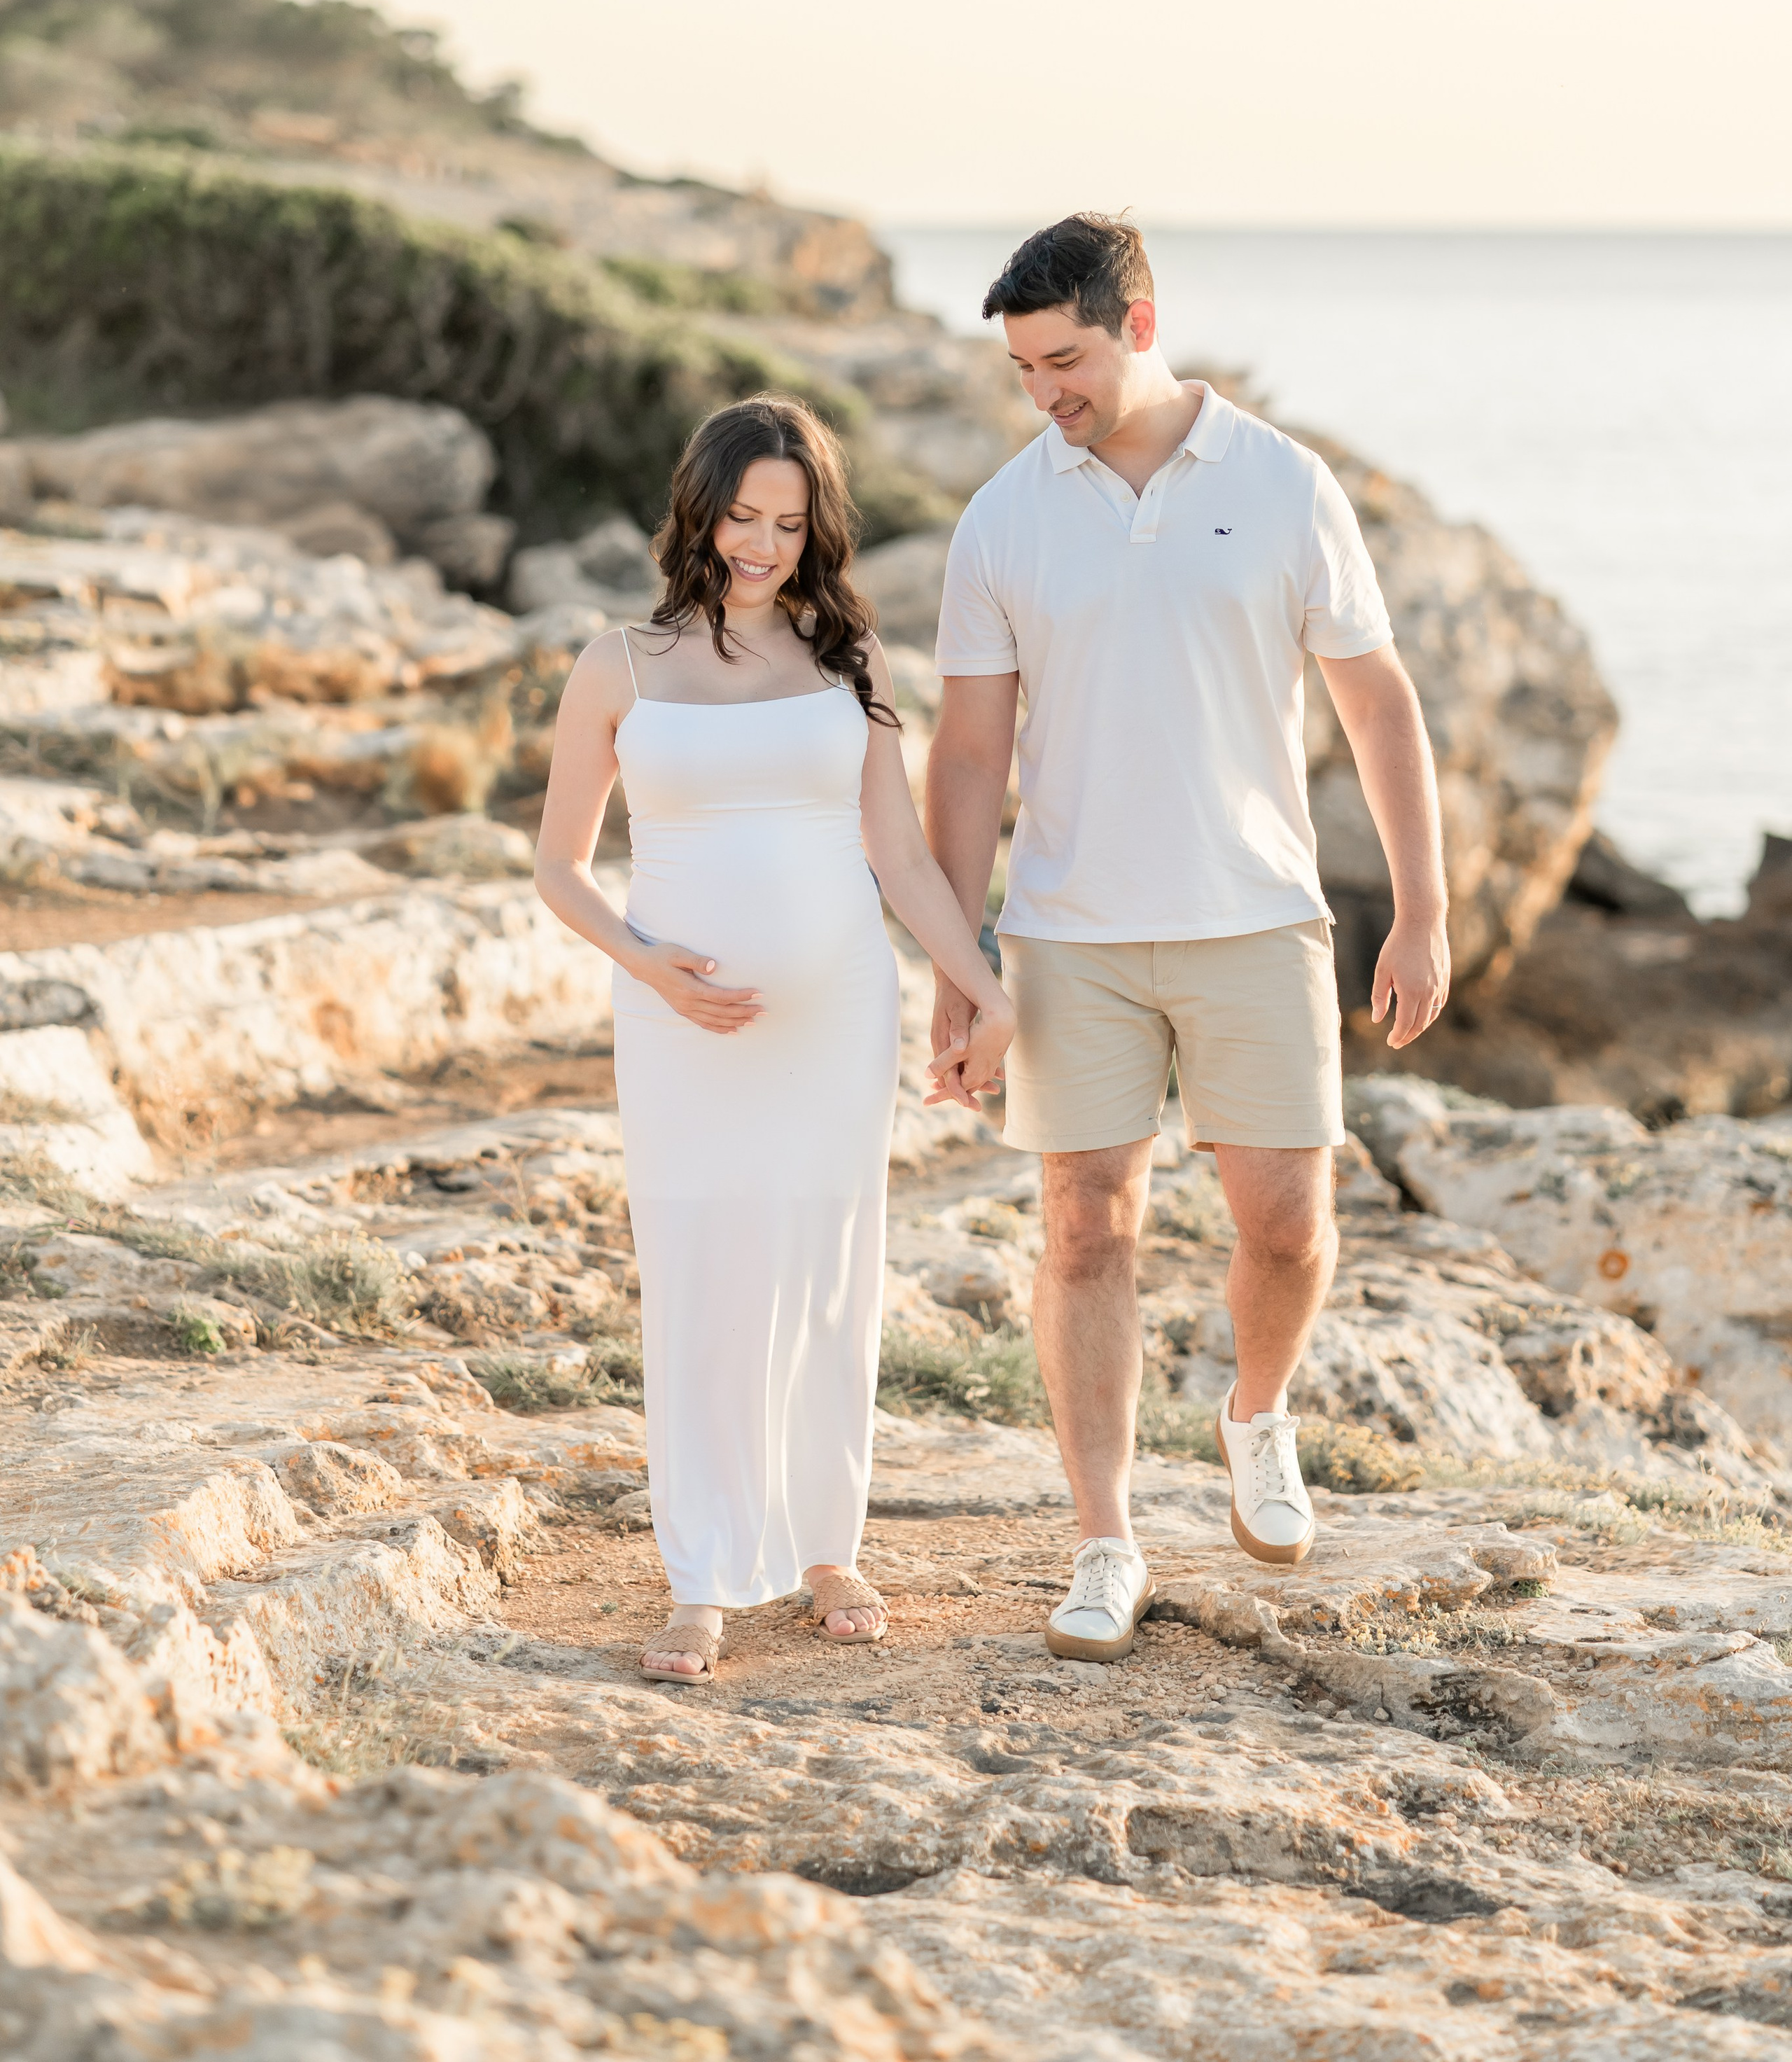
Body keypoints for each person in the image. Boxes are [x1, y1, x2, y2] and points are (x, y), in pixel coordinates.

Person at [925, 216, 1449, 1663]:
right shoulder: (1002, 518)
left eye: (1068, 358)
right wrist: (956, 962)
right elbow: (969, 759)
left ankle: (1253, 1416)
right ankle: (1102, 1539)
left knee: (1285, 1227)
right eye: (1024, 367)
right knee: (1084, 1229)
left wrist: (1420, 907)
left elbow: (1376, 704)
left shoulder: (1284, 487)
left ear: (1138, 322)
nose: (1046, 392)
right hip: (1068, 936)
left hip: (1258, 916)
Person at [535, 395, 1013, 1682]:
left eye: (789, 524)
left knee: (823, 1268)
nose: (762, 543)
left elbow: (902, 857)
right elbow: (560, 866)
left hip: (836, 1017)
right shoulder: (618, 664)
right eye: (743, 516)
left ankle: (823, 1547)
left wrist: (982, 981)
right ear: (701, 509)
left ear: (819, 531)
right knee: (699, 1271)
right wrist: (645, 965)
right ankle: (700, 1576)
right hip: (680, 1023)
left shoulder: (847, 657)